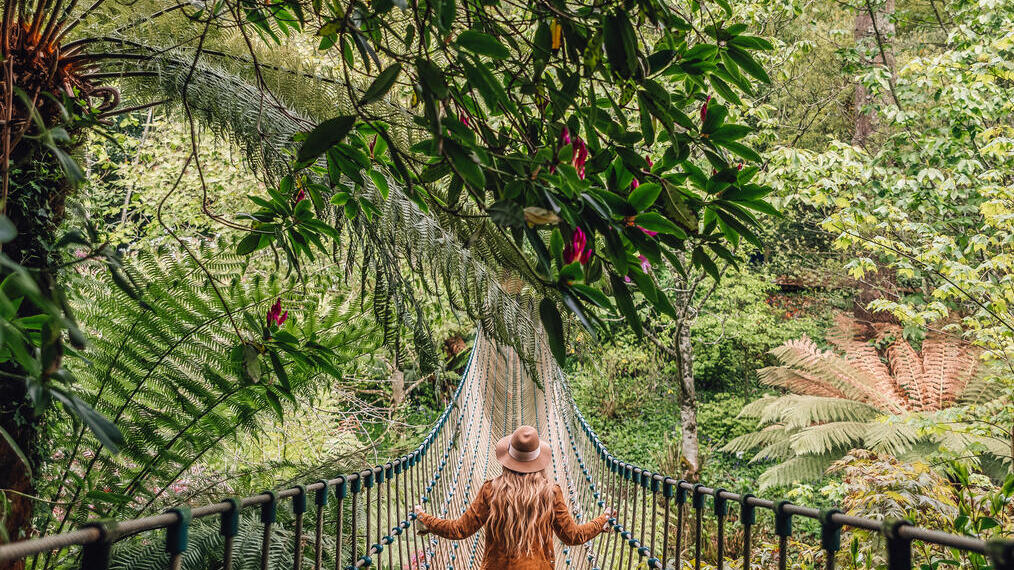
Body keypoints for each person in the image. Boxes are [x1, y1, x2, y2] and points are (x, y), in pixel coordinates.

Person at [413, 425, 614, 570]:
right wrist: (601, 521)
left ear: (507, 459)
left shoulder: (491, 490)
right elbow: (572, 536)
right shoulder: (551, 493)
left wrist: (425, 519)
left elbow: (459, 530)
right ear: (539, 461)